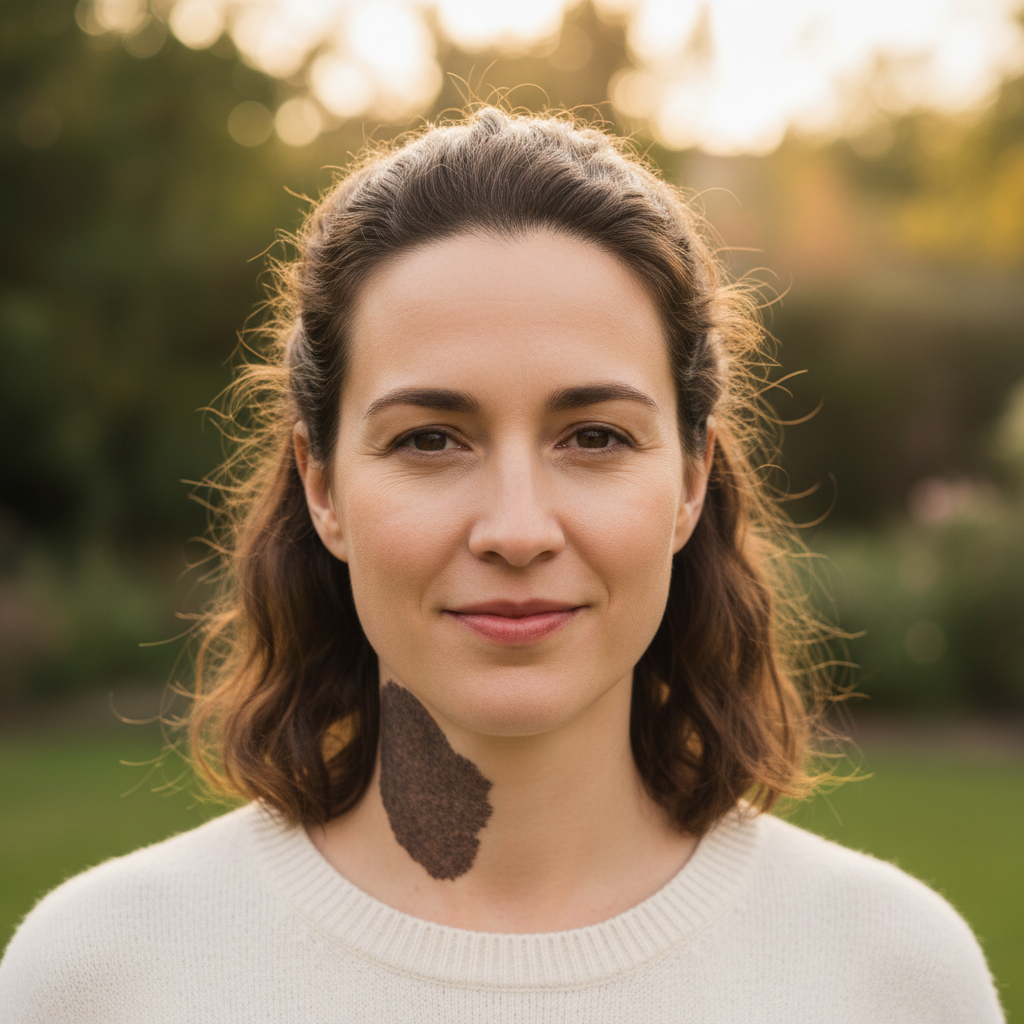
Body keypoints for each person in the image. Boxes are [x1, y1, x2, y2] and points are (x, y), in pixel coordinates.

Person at [0, 107, 1003, 1023]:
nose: (516, 529)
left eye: (595, 436)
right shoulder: (101, 976)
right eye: (431, 439)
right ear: (321, 485)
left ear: (692, 477)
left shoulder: (889, 976)